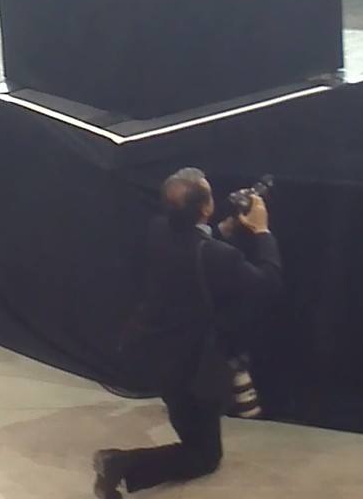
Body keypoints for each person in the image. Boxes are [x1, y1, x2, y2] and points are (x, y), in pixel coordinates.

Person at [93, 167, 282, 498]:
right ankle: (118, 465)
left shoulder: (158, 230)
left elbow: (198, 249)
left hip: (161, 352)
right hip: (194, 365)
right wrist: (263, 232)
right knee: (205, 456)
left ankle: (120, 466)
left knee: (190, 426)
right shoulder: (217, 256)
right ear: (206, 207)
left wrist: (228, 228)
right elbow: (267, 283)